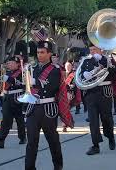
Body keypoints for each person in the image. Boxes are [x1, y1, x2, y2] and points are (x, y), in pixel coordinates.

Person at [25, 41, 73, 170]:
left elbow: (52, 86)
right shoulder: (33, 68)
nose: (39, 55)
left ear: (49, 54)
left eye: (42, 52)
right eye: (38, 52)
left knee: (52, 140)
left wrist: (34, 81)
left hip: (48, 109)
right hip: (33, 108)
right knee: (31, 142)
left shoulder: (55, 70)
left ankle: (58, 166)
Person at [79, 44, 116, 155]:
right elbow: (79, 74)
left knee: (107, 118)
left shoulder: (107, 60)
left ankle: (110, 137)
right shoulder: (86, 61)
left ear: (100, 50)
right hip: (91, 92)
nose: (92, 52)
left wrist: (106, 64)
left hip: (105, 92)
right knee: (93, 120)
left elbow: (115, 75)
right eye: (90, 50)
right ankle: (95, 145)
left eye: (94, 49)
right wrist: (84, 74)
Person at [0, 56, 26, 148]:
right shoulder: (6, 73)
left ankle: (22, 137)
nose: (9, 65)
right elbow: (1, 87)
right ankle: (1, 140)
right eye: (8, 63)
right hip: (7, 98)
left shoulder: (21, 72)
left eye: (11, 63)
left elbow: (20, 83)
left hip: (17, 98)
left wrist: (8, 79)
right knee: (5, 120)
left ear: (17, 64)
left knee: (19, 120)